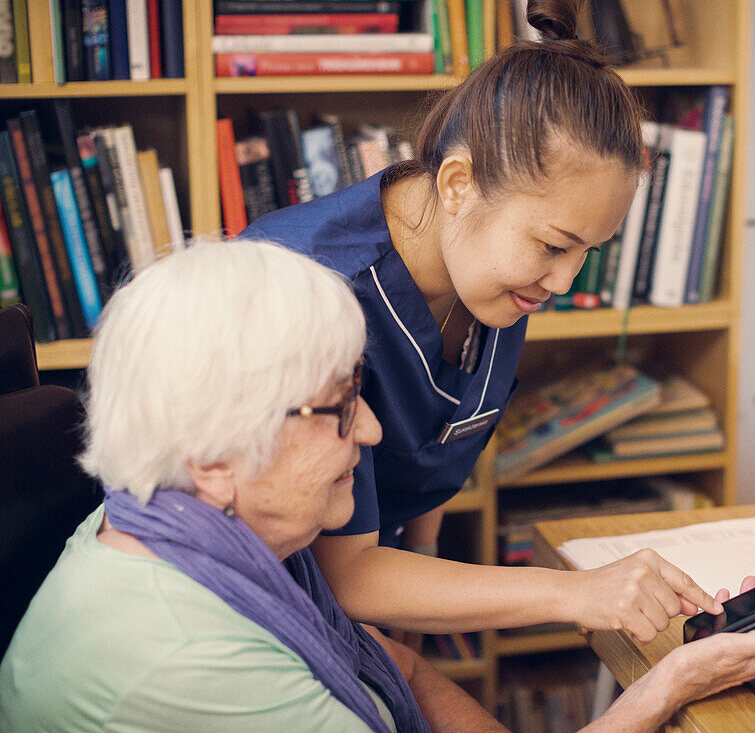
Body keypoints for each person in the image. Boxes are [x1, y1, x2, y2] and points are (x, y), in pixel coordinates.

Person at [0, 240, 755, 732]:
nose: (374, 431)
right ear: (214, 453)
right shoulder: (191, 660)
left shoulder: (178, 523)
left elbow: (406, 672)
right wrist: (668, 686)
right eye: (339, 408)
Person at [238, 0, 672, 636]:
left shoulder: (491, 271)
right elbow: (348, 574)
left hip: (376, 610)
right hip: (272, 613)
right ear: (458, 185)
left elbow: (437, 445)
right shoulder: (311, 291)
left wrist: (418, 590)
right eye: (554, 246)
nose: (562, 281)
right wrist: (577, 595)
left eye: (588, 251)